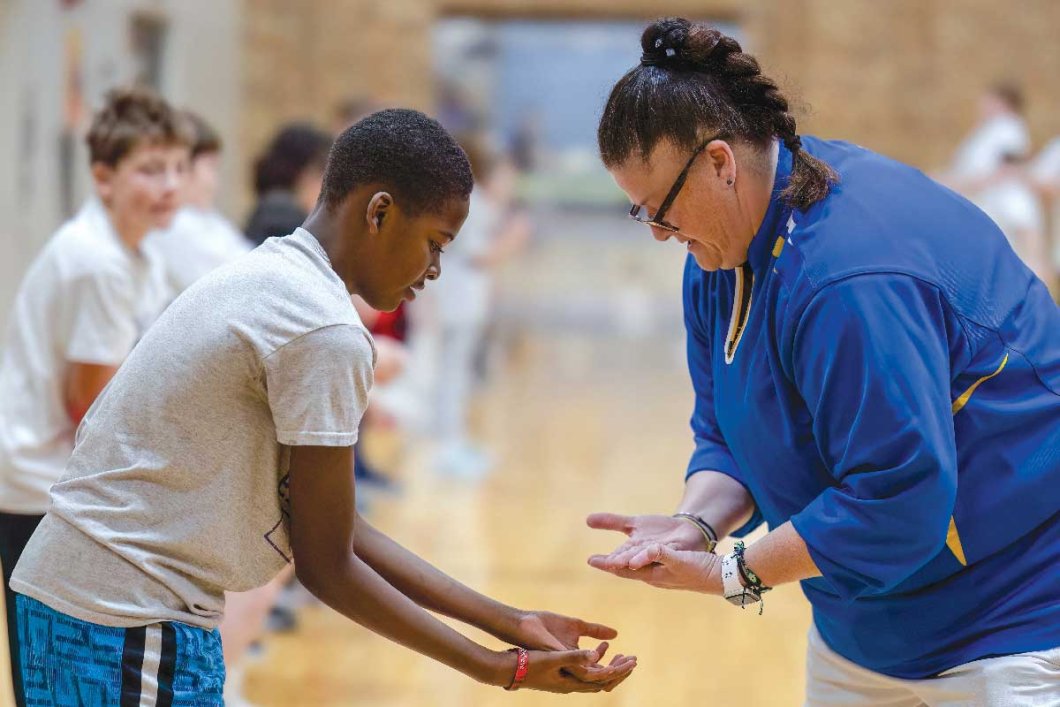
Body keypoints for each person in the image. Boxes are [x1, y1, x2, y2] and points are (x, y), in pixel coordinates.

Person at [10, 109, 636, 704]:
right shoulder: (322, 328)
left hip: (91, 598)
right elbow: (327, 565)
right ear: (380, 213)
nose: (437, 268)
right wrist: (500, 668)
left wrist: (511, 622)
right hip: (121, 615)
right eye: (436, 242)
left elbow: (340, 529)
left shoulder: (279, 273)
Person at [586, 18, 1059, 706]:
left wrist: (731, 572)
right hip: (858, 630)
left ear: (721, 162)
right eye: (640, 214)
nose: (658, 233)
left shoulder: (850, 276)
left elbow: (899, 498)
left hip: (1009, 627)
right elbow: (728, 431)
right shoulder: (716, 251)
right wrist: (695, 525)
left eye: (660, 209)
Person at [0, 86, 190, 707]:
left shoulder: (136, 255)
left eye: (178, 168)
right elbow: (94, 405)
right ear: (103, 176)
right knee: (48, 674)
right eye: (149, 169)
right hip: (37, 484)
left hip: (60, 479)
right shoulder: (98, 263)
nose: (169, 184)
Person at [147, 111, 251, 295]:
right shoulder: (174, 225)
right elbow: (228, 289)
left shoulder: (209, 219)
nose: (215, 181)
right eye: (211, 166)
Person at [939, 82, 1030, 203]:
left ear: (1004, 103)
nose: (983, 104)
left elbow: (1009, 170)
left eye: (990, 100)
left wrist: (965, 186)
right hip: (976, 198)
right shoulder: (987, 129)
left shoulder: (1009, 127)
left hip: (999, 204)